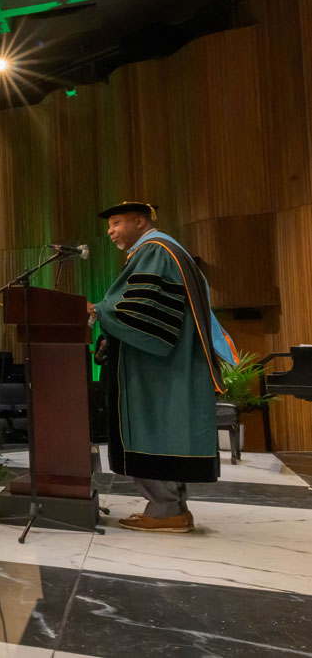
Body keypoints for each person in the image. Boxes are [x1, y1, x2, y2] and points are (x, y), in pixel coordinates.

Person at [90, 201, 234, 532]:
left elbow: (141, 309)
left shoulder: (155, 251)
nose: (110, 231)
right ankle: (170, 508)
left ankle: (165, 510)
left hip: (157, 367)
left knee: (152, 429)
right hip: (172, 364)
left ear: (139, 221)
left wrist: (100, 310)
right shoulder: (167, 250)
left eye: (115, 223)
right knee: (164, 432)